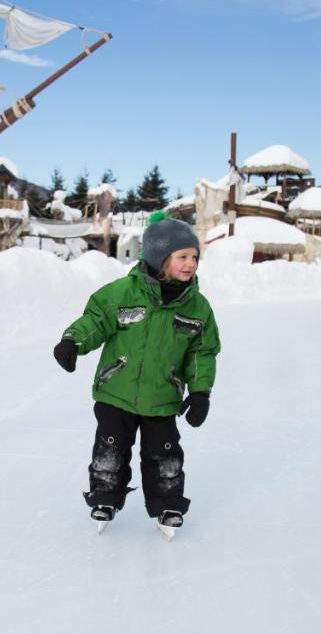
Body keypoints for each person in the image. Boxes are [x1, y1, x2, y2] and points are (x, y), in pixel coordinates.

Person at [52, 211, 221, 534]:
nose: (190, 264)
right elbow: (96, 320)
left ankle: (168, 503)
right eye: (182, 256)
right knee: (110, 447)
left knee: (165, 455)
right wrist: (73, 341)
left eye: (194, 257)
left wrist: (200, 392)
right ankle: (104, 496)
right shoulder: (121, 293)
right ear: (159, 258)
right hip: (116, 391)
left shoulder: (198, 308)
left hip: (162, 397)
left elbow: (202, 352)